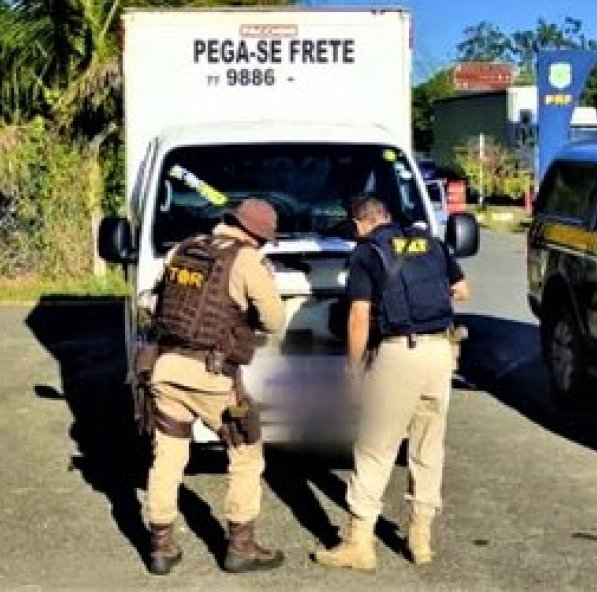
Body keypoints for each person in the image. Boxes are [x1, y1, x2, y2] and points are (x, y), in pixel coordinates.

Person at [313, 195, 469, 571]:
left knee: (375, 448)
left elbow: (358, 318)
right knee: (427, 448)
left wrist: (353, 370)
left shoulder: (368, 252)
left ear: (360, 223)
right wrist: (425, 296)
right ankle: (420, 540)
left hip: (399, 353)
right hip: (440, 353)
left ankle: (359, 544)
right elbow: (463, 291)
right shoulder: (430, 243)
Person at [143, 198, 287, 576]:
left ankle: (160, 545)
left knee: (169, 455)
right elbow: (275, 320)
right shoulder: (246, 259)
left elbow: (152, 303)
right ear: (256, 236)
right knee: (246, 450)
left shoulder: (183, 250)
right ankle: (241, 545)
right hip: (211, 376)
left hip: (165, 369)